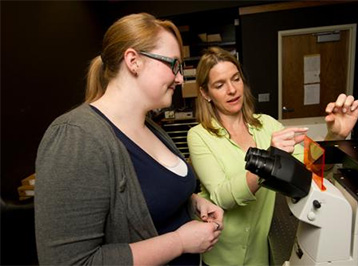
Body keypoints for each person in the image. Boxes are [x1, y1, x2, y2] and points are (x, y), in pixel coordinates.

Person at [34, 13, 224, 265]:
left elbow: (146, 195)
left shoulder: (152, 128)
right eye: (174, 65)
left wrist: (192, 201)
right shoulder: (76, 137)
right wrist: (179, 242)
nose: (180, 78)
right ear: (134, 61)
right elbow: (71, 262)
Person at [187, 47, 358, 266]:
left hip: (260, 253)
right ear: (205, 93)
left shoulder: (267, 124)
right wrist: (270, 161)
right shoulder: (199, 136)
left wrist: (335, 135)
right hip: (221, 253)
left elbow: (312, 166)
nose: (232, 90)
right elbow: (223, 197)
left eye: (236, 79)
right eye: (220, 85)